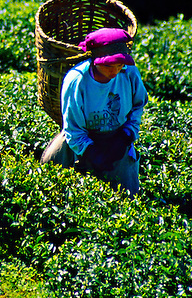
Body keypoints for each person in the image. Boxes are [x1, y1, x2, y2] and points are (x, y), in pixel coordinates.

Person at [40, 27, 148, 195]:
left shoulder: (129, 74)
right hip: (80, 142)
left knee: (123, 197)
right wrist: (92, 153)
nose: (114, 70)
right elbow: (73, 128)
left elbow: (138, 106)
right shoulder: (77, 81)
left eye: (119, 64)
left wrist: (124, 137)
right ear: (95, 59)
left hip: (117, 138)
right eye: (108, 65)